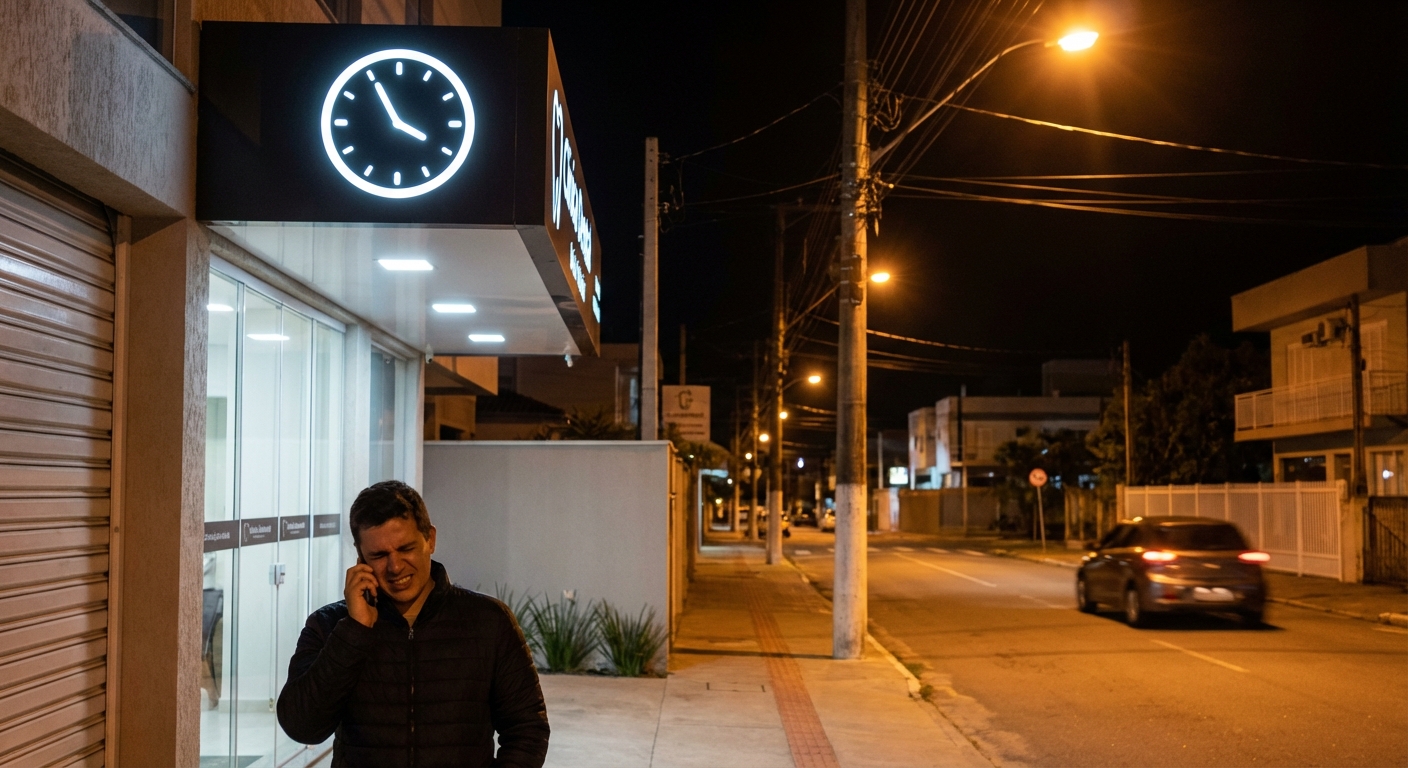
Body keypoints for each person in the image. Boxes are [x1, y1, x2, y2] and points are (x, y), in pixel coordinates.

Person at [277, 480, 549, 766]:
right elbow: (302, 727)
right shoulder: (329, 625)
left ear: (430, 539)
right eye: (379, 556)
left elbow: (527, 730)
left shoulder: (489, 621)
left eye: (405, 548)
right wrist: (354, 631)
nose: (395, 567)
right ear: (360, 558)